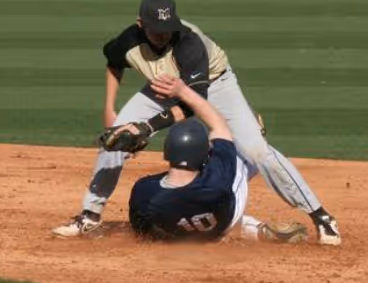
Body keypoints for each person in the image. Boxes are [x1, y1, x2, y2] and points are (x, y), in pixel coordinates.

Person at [52, 0, 341, 246]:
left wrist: (148, 127)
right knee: (116, 138)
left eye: (168, 29)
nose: (164, 35)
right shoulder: (128, 40)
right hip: (162, 85)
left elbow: (192, 104)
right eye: (156, 31)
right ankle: (90, 215)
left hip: (213, 86)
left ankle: (321, 216)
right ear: (141, 25)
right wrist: (110, 108)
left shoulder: (189, 42)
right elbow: (113, 63)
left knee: (256, 150)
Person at [128, 76, 307, 244]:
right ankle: (248, 230)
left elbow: (141, 230)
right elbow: (220, 126)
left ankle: (253, 229)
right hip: (223, 223)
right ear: (204, 155)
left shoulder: (144, 188)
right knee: (246, 156)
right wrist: (183, 91)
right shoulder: (216, 177)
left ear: (168, 151)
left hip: (178, 232)